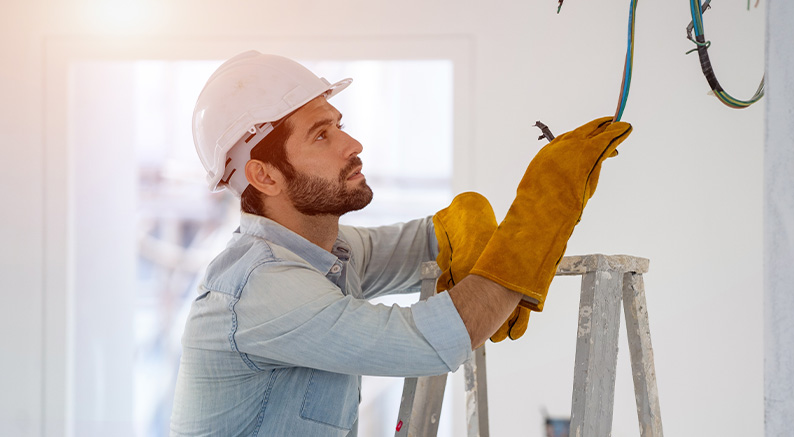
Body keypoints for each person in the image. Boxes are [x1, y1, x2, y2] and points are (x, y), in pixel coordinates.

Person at [170, 50, 632, 436]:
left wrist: (465, 217)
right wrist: (546, 203)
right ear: (265, 175)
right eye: (321, 135)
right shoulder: (261, 290)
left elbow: (426, 241)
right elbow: (432, 341)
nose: (353, 145)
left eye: (339, 124)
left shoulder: (328, 254)